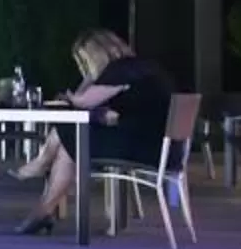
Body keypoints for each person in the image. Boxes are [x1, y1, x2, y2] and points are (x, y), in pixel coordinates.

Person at [13, 29, 171, 235]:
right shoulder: (141, 68)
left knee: (70, 133)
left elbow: (82, 101)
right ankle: (43, 210)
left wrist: (88, 79)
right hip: (160, 146)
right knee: (71, 141)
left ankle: (42, 166)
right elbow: (119, 111)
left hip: (141, 147)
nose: (84, 66)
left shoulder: (119, 71)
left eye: (85, 60)